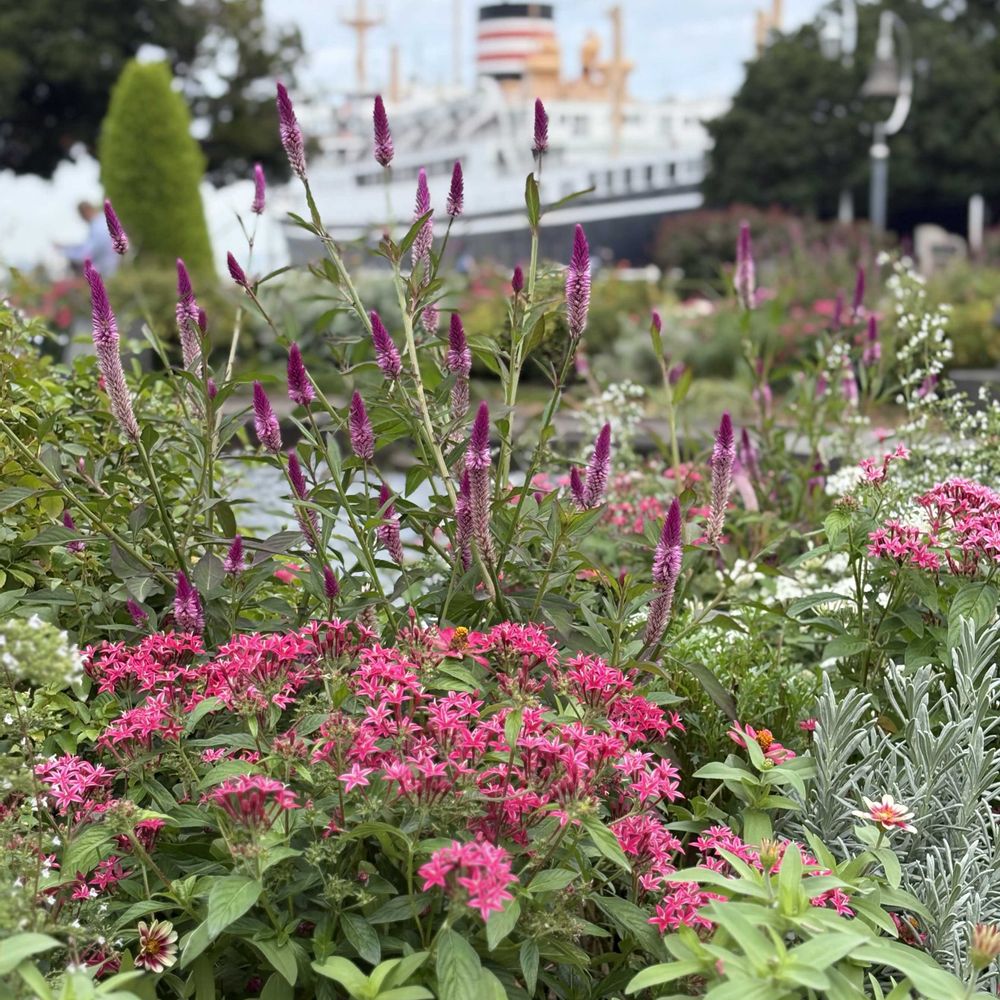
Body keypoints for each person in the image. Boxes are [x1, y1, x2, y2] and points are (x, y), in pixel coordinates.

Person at [56, 201, 119, 274]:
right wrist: (65, 247)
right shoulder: (104, 219)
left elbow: (86, 253)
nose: (82, 219)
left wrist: (65, 252)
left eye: (81, 216)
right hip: (114, 266)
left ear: (86, 212)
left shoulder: (97, 227)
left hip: (108, 270)